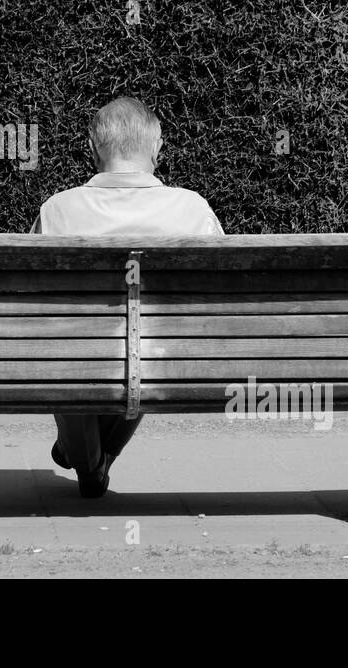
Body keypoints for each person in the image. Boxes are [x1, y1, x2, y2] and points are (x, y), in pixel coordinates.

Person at [31, 96, 224, 497]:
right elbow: (219, 294)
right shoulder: (192, 209)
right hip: (163, 355)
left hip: (72, 356)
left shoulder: (57, 211)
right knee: (150, 344)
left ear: (91, 147)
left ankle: (86, 460)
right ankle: (91, 463)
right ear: (156, 148)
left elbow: (30, 297)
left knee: (67, 354)